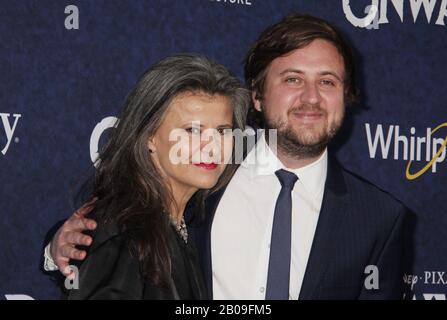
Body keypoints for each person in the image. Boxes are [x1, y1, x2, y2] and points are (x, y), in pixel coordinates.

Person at [44, 14, 411, 300]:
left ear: (346, 95)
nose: (311, 98)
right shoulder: (205, 175)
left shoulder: (380, 219)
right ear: (257, 96)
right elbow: (115, 234)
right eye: (293, 79)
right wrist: (59, 247)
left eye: (328, 81)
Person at [48, 54, 250, 299]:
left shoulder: (181, 221)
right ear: (149, 137)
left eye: (222, 131)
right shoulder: (123, 230)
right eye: (193, 130)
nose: (212, 147)